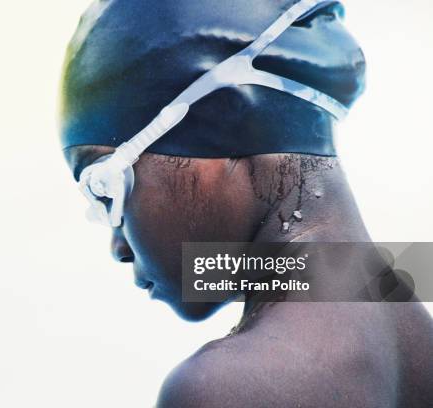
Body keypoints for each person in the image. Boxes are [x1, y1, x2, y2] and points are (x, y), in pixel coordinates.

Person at [60, 0, 433, 406]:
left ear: (226, 125)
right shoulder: (420, 348)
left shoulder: (228, 388)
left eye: (105, 188)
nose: (119, 248)